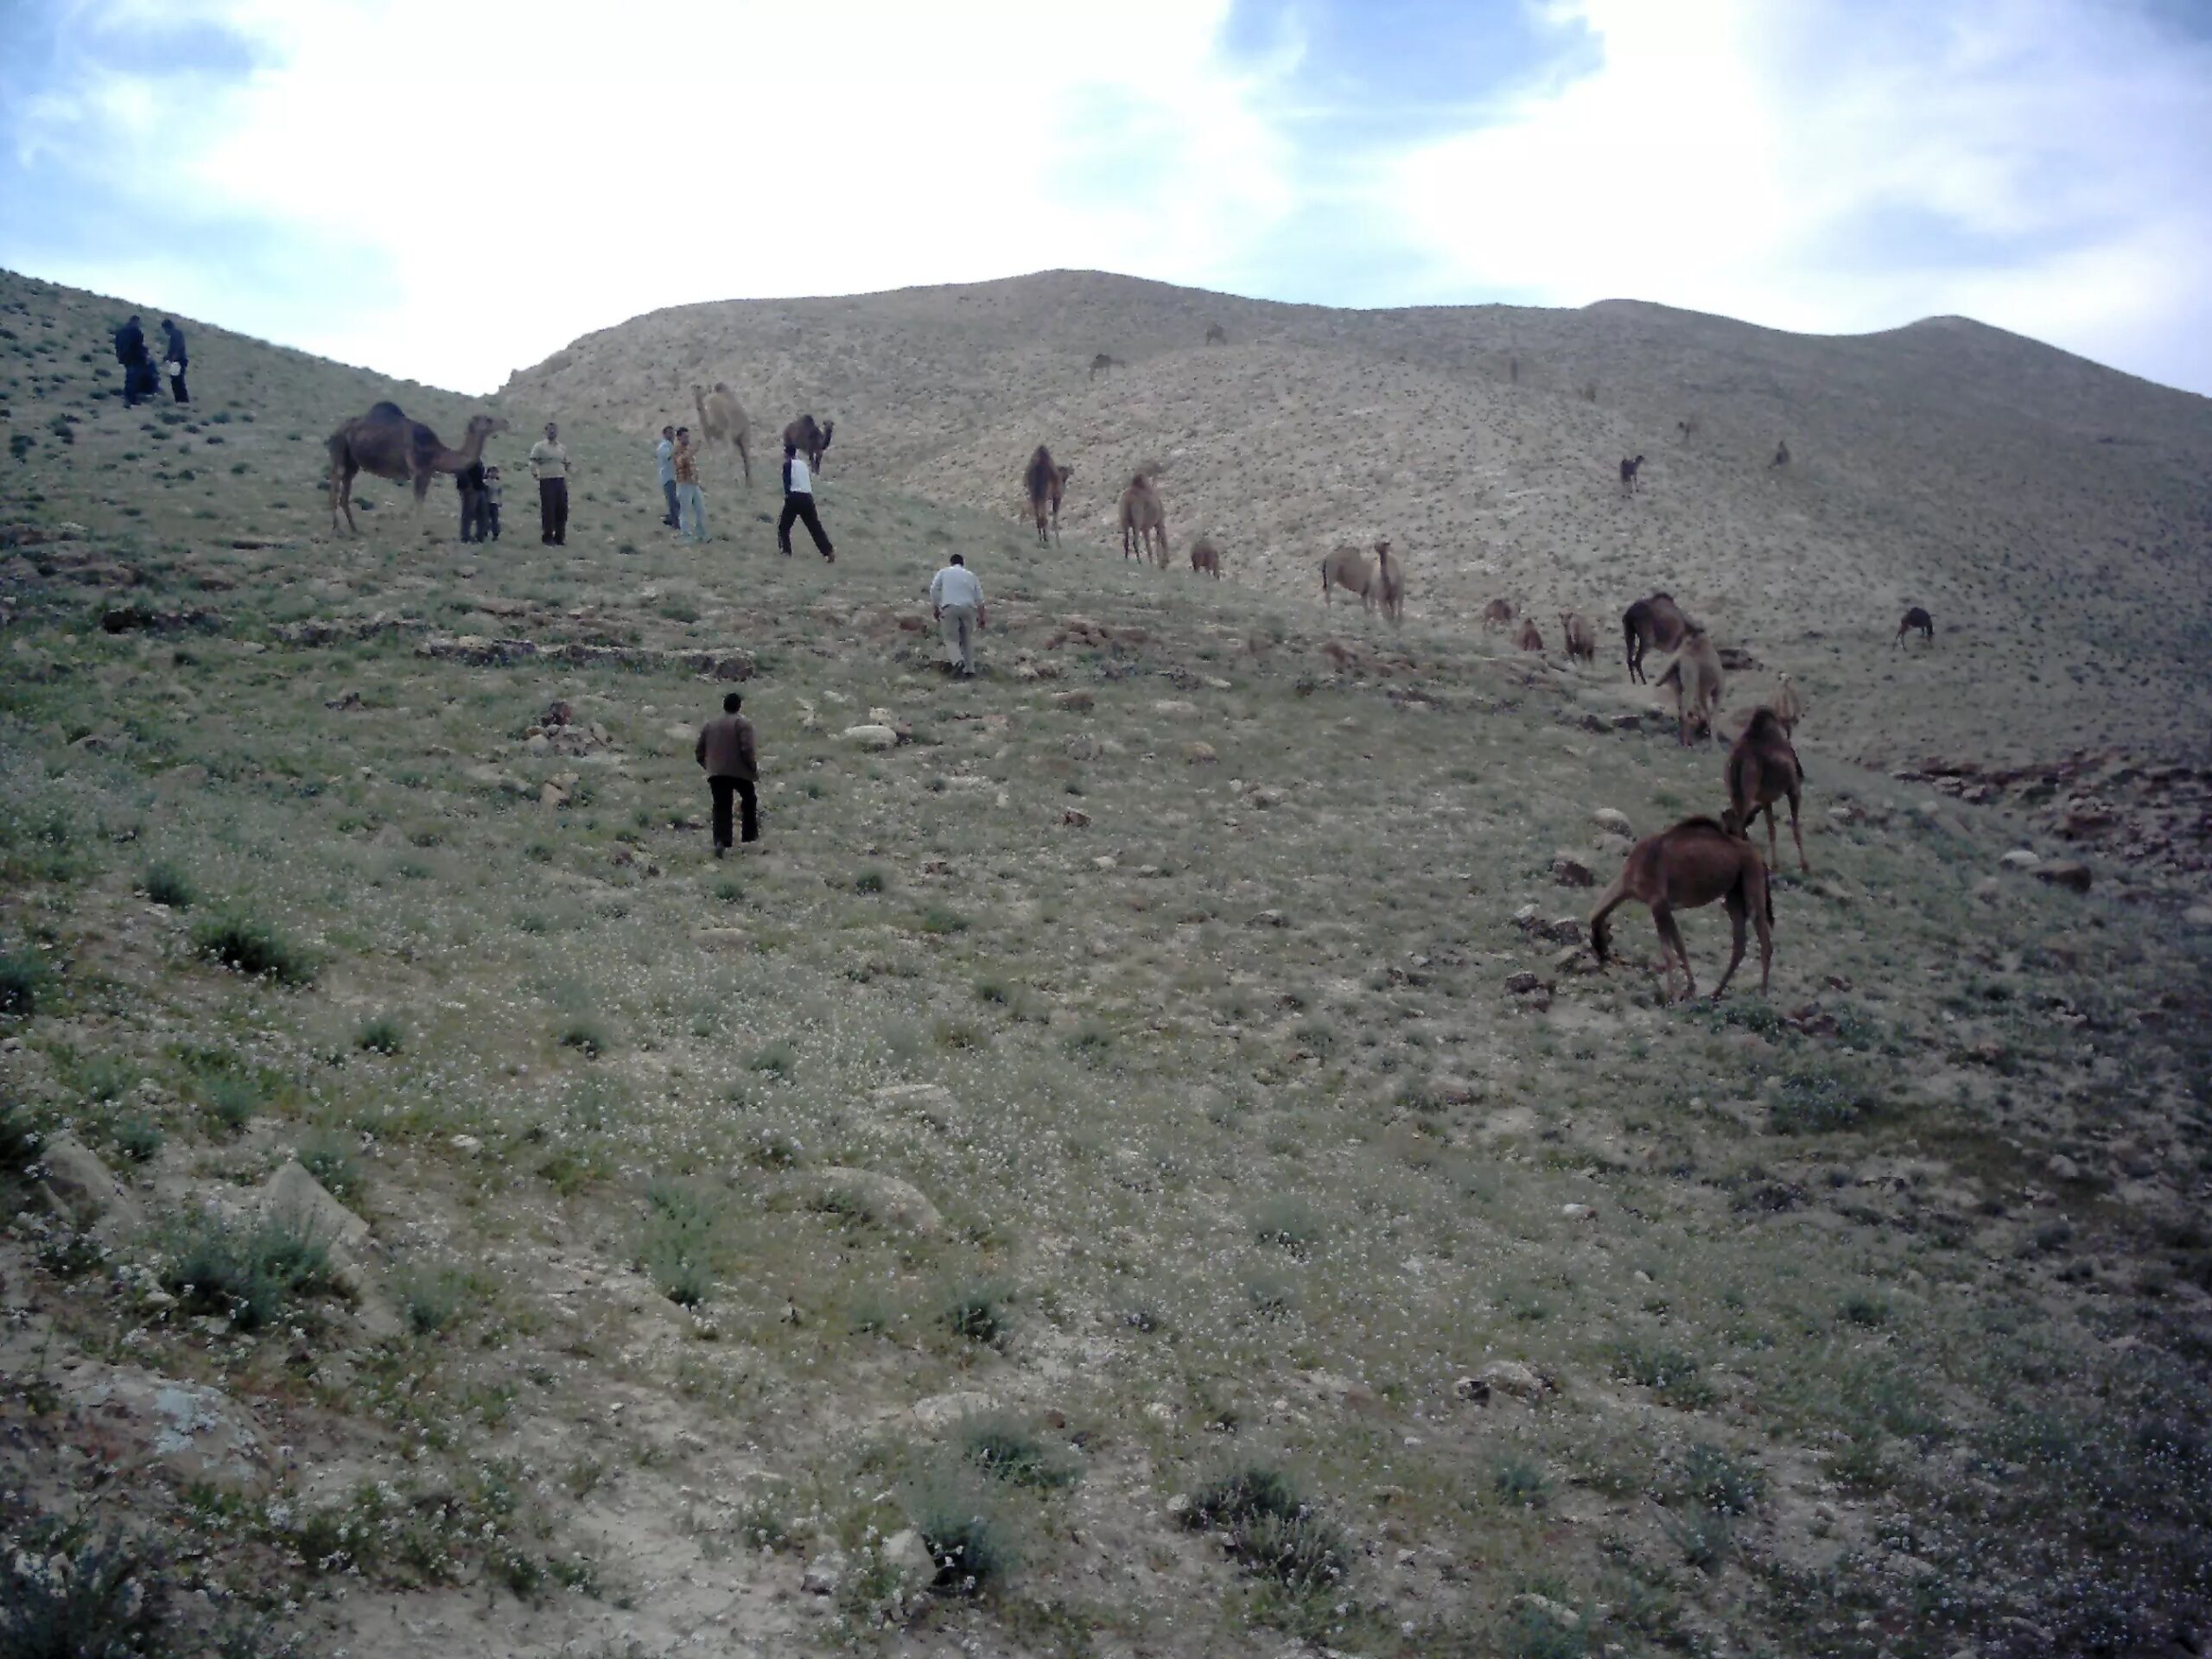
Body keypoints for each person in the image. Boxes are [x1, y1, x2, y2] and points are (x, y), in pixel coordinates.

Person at [694, 690, 759, 856]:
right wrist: (752, 767)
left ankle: (722, 841)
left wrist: (709, 766)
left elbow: (699, 751)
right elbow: (747, 749)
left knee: (721, 805)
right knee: (749, 799)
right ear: (739, 706)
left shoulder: (710, 725)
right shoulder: (743, 724)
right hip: (739, 772)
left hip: (716, 773)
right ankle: (749, 838)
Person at [930, 553, 986, 677]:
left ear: (951, 563)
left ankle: (957, 661)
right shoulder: (971, 576)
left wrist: (936, 607)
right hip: (969, 609)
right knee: (967, 640)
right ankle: (970, 670)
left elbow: (934, 589)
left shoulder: (944, 572)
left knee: (951, 639)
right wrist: (982, 617)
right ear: (963, 563)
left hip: (950, 608)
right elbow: (980, 599)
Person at [777, 440, 834, 562]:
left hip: (794, 497)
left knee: (783, 527)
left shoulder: (788, 464)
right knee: (814, 527)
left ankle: (786, 551)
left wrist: (787, 496)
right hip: (808, 498)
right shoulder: (803, 464)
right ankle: (828, 551)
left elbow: (787, 483)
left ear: (786, 454)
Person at [529, 422, 571, 544]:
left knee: (562, 509)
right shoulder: (539, 447)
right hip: (547, 480)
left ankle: (559, 537)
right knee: (549, 509)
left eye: (554, 430)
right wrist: (535, 472)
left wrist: (574, 471)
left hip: (560, 480)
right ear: (546, 431)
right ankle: (547, 536)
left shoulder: (562, 448)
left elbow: (567, 463)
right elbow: (533, 461)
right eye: (550, 430)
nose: (552, 432)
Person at [673, 426, 706, 543]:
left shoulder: (688, 450)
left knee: (700, 509)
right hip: (684, 484)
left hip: (693, 484)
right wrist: (691, 451)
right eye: (685, 437)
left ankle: (701, 534)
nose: (687, 439)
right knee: (685, 511)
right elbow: (680, 462)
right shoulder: (677, 450)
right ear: (679, 438)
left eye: (688, 436)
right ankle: (686, 535)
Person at [113, 315, 151, 407]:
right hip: (135, 358)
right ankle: (131, 399)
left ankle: (128, 396)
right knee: (133, 379)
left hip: (124, 357)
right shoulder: (136, 332)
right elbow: (138, 346)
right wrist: (145, 355)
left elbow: (117, 344)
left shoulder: (121, 331)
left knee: (130, 377)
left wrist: (119, 355)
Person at [456, 457, 489, 543]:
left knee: (482, 513)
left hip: (479, 487)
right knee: (468, 512)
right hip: (470, 489)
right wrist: (467, 486)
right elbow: (461, 472)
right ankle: (465, 536)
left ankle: (480, 536)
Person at [159, 319, 189, 404]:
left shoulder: (175, 335)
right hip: (179, 360)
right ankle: (182, 401)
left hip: (178, 360)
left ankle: (182, 401)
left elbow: (177, 348)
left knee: (177, 381)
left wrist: (171, 358)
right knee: (177, 380)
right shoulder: (177, 334)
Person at [655, 425, 679, 528]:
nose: (672, 435)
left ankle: (672, 520)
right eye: (669, 433)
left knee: (678, 502)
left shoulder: (673, 446)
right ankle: (675, 523)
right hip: (668, 478)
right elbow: (669, 457)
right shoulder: (663, 447)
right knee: (673, 501)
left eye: (673, 433)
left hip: (675, 477)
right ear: (664, 434)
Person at [482, 467, 504, 540]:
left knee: (495, 520)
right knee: (485, 519)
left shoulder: (498, 483)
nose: (494, 474)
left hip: (494, 503)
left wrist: (500, 501)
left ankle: (495, 534)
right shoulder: (485, 482)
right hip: (486, 503)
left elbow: (499, 493)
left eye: (496, 472)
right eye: (492, 472)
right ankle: (484, 532)